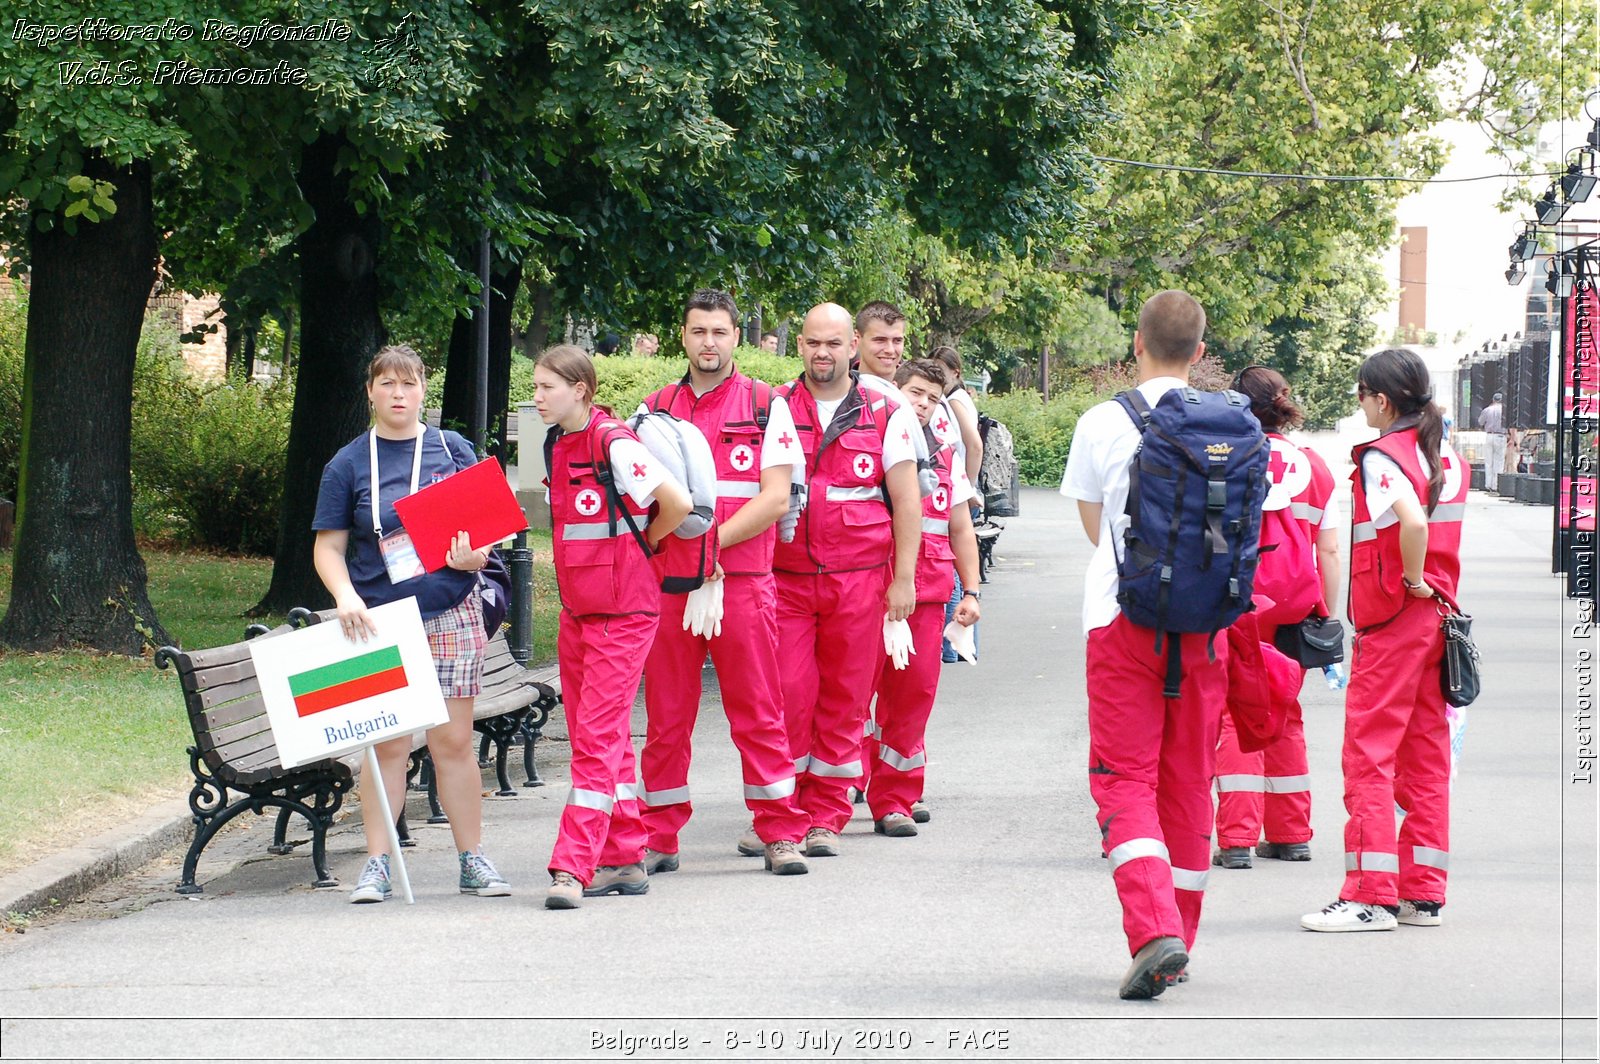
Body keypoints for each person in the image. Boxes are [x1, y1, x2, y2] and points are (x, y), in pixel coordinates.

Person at [1059, 290, 1225, 998]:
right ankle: (1178, 942)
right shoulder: (1230, 421)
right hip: (1204, 624)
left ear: (1136, 342)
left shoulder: (1104, 421)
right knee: (1188, 779)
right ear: (1200, 350)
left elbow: (1098, 530)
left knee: (1125, 778)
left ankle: (1152, 927)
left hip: (1122, 619)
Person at [312, 344, 511, 904]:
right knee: (388, 745)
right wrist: (346, 596)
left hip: (450, 608)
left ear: (424, 389)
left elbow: (488, 525)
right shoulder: (347, 463)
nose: (398, 395)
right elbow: (328, 547)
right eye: (387, 385)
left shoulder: (452, 450)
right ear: (370, 391)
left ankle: (472, 858)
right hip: (380, 622)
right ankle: (378, 862)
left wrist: (477, 555)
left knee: (452, 740)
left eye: (409, 384)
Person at [635, 289, 811, 876]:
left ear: (736, 336)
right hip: (672, 586)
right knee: (666, 715)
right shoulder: (653, 408)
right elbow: (640, 499)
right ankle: (659, 835)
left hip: (743, 582)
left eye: (719, 332)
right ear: (682, 336)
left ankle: (780, 831)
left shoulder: (767, 405)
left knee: (759, 710)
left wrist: (713, 545)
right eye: (697, 331)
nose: (708, 342)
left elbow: (776, 496)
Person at [1302, 347, 1467, 932]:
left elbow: (1412, 524)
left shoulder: (1382, 457)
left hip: (1396, 617)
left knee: (1368, 754)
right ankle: (1423, 892)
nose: (1360, 405)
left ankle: (1370, 895)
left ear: (1382, 399)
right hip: (1438, 620)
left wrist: (1413, 577)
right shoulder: (1443, 450)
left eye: (1361, 394)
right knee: (1427, 754)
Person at [533, 344, 693, 909]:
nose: (536, 398)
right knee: (600, 738)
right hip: (581, 613)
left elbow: (674, 501)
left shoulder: (613, 441)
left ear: (579, 389)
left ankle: (572, 867)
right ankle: (625, 854)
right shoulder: (555, 441)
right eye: (535, 388)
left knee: (596, 741)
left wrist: (648, 544)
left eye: (546, 388)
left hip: (624, 613)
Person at [774, 302, 921, 858]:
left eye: (833, 344)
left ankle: (826, 814)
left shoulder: (886, 410)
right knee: (788, 693)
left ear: (852, 347)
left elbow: (907, 500)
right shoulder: (778, 408)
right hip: (786, 580)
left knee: (846, 699)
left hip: (858, 580)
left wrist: (902, 580)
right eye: (813, 342)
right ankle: (782, 808)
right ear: (801, 346)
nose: (822, 353)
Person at [1211, 366, 1340, 869]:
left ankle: (1238, 839)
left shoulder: (1225, 458)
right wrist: (1326, 615)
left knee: (1233, 715)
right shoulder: (1316, 466)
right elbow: (1327, 550)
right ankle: (1291, 834)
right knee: (1282, 710)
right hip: (1294, 608)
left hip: (1237, 603)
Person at [862, 359, 981, 837]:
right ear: (895, 392)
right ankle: (841, 785)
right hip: (867, 590)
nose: (923, 404)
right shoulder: (868, 442)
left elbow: (959, 526)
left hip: (927, 594)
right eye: (915, 392)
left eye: (933, 398)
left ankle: (895, 800)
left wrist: (970, 590)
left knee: (912, 699)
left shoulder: (946, 455)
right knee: (850, 696)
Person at [930, 345, 984, 668]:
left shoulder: (952, 401)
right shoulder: (959, 398)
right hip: (956, 485)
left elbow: (974, 444)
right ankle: (965, 647)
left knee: (954, 569)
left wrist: (969, 482)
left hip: (955, 488)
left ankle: (953, 647)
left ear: (955, 373)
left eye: (941, 370)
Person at [1477, 392, 1506, 492]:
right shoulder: (1504, 411)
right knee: (1499, 461)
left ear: (1493, 400)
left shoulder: (1487, 410)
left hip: (1489, 435)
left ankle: (1488, 484)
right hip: (1501, 436)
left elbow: (1480, 422)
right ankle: (1496, 485)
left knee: (1488, 461)